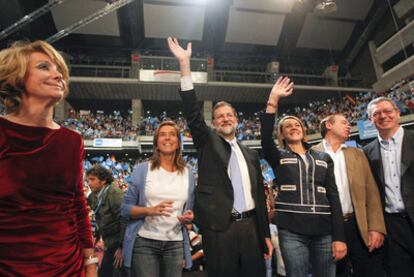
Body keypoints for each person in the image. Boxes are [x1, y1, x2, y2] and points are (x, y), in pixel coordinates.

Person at [168, 37, 272, 277]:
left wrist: (265, 234)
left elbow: (259, 195)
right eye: (219, 117)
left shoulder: (251, 155)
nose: (225, 119)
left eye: (229, 115)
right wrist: (185, 64)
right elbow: (192, 110)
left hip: (251, 228)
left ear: (236, 120)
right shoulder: (207, 141)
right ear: (213, 123)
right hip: (219, 229)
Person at [0, 40, 96, 276]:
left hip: (67, 266)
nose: (58, 75)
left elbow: (76, 204)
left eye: (60, 71)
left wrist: (90, 262)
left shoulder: (72, 141)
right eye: (44, 67)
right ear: (17, 77)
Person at [260, 77, 347, 277]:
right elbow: (265, 137)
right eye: (287, 126)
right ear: (281, 134)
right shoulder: (278, 156)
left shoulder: (323, 157)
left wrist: (339, 237)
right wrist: (273, 99)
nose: (293, 127)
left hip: (324, 232)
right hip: (291, 231)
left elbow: (334, 197)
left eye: (297, 124)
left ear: (304, 130)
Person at [121, 120, 195, 277]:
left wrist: (189, 217)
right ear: (156, 143)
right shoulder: (142, 170)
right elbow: (125, 209)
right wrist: (150, 210)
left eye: (172, 135)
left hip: (175, 243)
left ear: (179, 143)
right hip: (144, 242)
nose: (167, 138)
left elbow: (190, 211)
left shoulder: (188, 173)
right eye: (162, 135)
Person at [314, 114, 386, 276]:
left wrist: (376, 227)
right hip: (327, 228)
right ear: (329, 125)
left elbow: (372, 193)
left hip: (357, 225)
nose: (349, 126)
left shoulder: (358, 154)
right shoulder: (311, 153)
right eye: (344, 122)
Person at [363, 97, 414, 277]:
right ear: (370, 120)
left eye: (388, 111)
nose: (383, 116)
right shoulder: (367, 152)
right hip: (391, 226)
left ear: (398, 113)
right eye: (377, 114)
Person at [86, 165, 126, 277]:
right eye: (88, 180)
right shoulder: (92, 196)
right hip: (109, 241)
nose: (89, 183)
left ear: (103, 181)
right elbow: (99, 218)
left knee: (109, 272)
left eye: (92, 179)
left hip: (118, 242)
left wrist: (122, 248)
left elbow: (125, 220)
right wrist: (98, 238)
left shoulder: (115, 193)